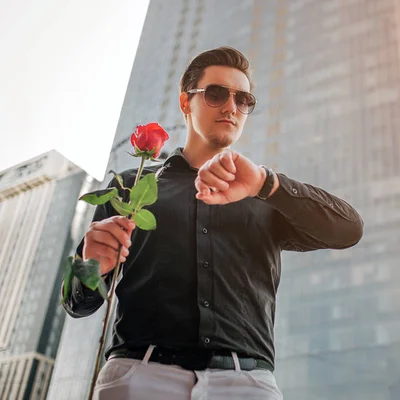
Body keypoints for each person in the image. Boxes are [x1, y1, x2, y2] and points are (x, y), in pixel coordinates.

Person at [63, 46, 363, 400]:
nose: (231, 107)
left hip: (247, 384)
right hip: (139, 376)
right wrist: (90, 266)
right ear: (185, 103)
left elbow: (349, 230)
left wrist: (267, 184)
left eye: (244, 99)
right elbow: (77, 303)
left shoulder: (265, 193)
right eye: (217, 93)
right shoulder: (130, 186)